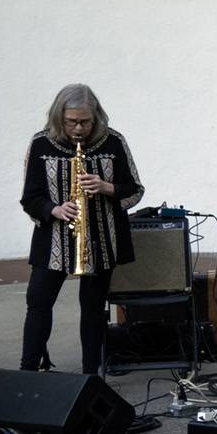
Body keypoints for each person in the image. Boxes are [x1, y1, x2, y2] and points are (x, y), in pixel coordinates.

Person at [19, 84, 144, 374]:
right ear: (58, 117)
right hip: (53, 240)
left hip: (100, 239)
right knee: (38, 302)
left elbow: (135, 189)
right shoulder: (41, 144)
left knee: (92, 308)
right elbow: (30, 197)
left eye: (85, 122)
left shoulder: (113, 142)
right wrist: (54, 210)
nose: (78, 129)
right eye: (71, 122)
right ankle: (28, 372)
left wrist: (106, 187)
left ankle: (91, 374)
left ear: (96, 117)